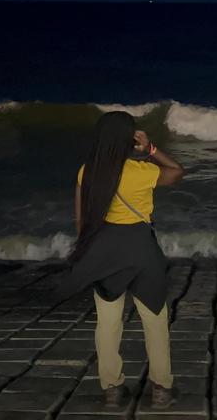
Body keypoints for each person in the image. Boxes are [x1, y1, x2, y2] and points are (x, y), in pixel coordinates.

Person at [59, 111, 185, 409]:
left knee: (108, 322)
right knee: (155, 320)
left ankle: (112, 389)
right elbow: (177, 171)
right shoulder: (141, 172)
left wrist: (89, 253)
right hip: (141, 249)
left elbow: (81, 222)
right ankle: (161, 390)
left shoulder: (86, 172)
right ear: (129, 140)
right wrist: (151, 149)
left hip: (102, 248)